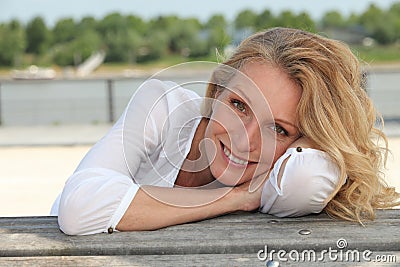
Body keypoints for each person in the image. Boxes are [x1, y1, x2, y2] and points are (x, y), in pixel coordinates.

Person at [51, 27, 399, 235]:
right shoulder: (162, 106)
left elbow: (309, 178)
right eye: (238, 105)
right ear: (216, 91)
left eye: (278, 128)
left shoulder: (286, 176)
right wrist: (239, 198)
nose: (242, 138)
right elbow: (80, 210)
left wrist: (323, 142)